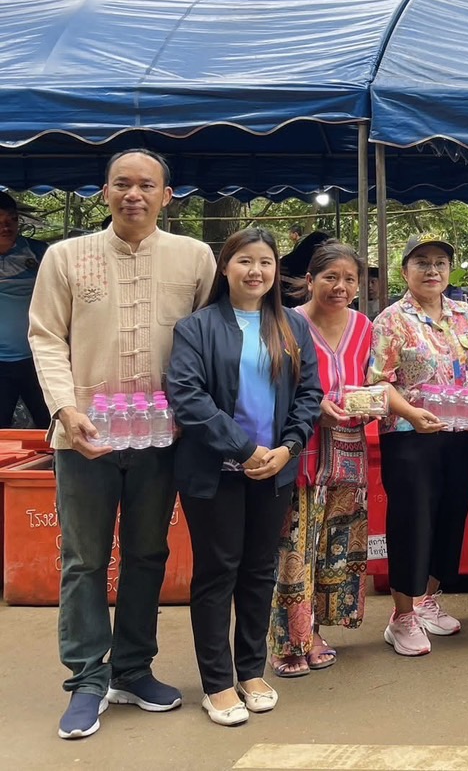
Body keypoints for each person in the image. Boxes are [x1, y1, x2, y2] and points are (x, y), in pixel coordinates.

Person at [28, 149, 216, 740]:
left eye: (146, 185)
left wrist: (197, 413)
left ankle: (133, 668)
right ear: (104, 192)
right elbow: (46, 337)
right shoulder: (65, 257)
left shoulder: (195, 257)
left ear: (167, 195)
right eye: (121, 184)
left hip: (162, 436)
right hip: (83, 435)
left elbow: (209, 338)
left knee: (147, 554)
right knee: (83, 559)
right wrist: (65, 408)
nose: (134, 194)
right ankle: (87, 677)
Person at [166, 229, 322, 726]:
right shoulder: (196, 327)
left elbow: (309, 395)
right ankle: (216, 682)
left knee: (258, 570)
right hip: (216, 471)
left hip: (274, 468)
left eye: (266, 263)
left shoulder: (292, 328)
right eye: (245, 261)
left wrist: (287, 448)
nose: (256, 271)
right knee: (218, 571)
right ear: (226, 267)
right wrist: (245, 448)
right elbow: (187, 397)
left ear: (277, 272)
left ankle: (250, 670)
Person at [368, 235, 468, 657]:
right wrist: (409, 413)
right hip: (409, 437)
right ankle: (401, 615)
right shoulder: (391, 319)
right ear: (405, 270)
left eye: (440, 262)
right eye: (421, 262)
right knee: (412, 519)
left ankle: (428, 600)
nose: (432, 270)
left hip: (459, 435)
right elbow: (378, 382)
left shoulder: (464, 314)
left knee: (451, 516)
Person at [268, 242, 373, 679]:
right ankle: (288, 640)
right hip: (301, 448)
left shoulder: (364, 326)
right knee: (295, 544)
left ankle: (314, 631)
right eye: (331, 277)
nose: (341, 287)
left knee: (335, 542)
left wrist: (370, 403)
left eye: (350, 279)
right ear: (309, 280)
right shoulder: (286, 323)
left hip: (349, 450)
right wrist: (315, 408)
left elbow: (373, 379)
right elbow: (270, 383)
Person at [1, 191, 49, 428]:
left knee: (51, 428)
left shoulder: (39, 252)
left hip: (37, 357)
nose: (6, 227)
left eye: (11, 219)